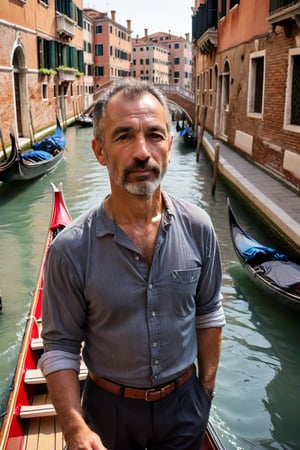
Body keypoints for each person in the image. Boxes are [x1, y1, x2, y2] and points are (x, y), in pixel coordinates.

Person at [40, 78, 225, 450]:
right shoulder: (69, 249)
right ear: (99, 151)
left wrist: (205, 391)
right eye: (124, 137)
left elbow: (209, 313)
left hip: (185, 404)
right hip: (109, 411)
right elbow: (60, 346)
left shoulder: (200, 228)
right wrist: (75, 427)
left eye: (154, 135)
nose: (142, 152)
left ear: (170, 146)